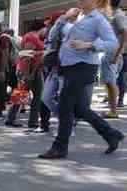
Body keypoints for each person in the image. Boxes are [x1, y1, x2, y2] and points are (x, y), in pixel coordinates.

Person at [39, 1, 124, 159]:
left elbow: (112, 43)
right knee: (81, 109)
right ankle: (111, 134)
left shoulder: (98, 19)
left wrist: (89, 45)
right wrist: (64, 18)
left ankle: (59, 147)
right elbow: (52, 36)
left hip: (83, 67)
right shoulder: (77, 16)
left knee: (65, 106)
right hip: (67, 67)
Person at [4, 21, 47, 129]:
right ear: (41, 28)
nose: (46, 32)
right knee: (33, 95)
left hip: (30, 70)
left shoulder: (31, 36)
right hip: (29, 70)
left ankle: (12, 119)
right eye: (46, 29)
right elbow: (27, 56)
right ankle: (32, 122)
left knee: (22, 94)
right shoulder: (32, 37)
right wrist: (27, 74)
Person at [100, 0, 127, 118]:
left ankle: (113, 110)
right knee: (110, 81)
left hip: (113, 52)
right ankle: (113, 108)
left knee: (111, 82)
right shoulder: (115, 14)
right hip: (113, 52)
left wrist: (117, 55)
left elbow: (125, 35)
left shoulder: (117, 16)